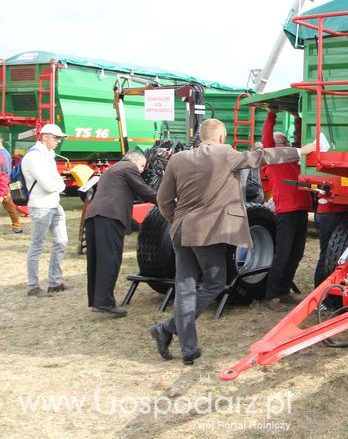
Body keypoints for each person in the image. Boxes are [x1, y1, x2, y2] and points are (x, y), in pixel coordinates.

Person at [149, 118, 316, 365]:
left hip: (181, 230)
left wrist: (177, 220)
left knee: (185, 287)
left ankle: (187, 347)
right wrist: (301, 151)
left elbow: (163, 200)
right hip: (207, 233)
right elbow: (263, 156)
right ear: (221, 137)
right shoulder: (226, 154)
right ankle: (167, 329)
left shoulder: (178, 159)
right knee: (214, 283)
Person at [84, 150, 157, 317]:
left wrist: (139, 226)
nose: (141, 170)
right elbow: (145, 191)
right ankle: (105, 303)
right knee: (110, 258)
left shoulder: (112, 170)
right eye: (141, 166)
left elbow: (116, 199)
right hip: (109, 217)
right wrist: (167, 201)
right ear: (133, 160)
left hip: (94, 215)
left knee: (96, 260)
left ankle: (97, 300)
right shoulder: (128, 167)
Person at [261, 106, 312, 311]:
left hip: (300, 210)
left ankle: (283, 291)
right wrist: (272, 114)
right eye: (285, 143)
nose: (289, 145)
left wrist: (297, 118)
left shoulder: (295, 158)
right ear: (276, 146)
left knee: (296, 254)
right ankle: (271, 295)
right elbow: (267, 139)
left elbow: (301, 142)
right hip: (287, 212)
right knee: (282, 255)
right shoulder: (272, 158)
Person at [21, 124, 69, 298]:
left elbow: (54, 181)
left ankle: (55, 282)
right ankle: (33, 286)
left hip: (53, 204)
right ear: (45, 137)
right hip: (41, 205)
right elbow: (49, 184)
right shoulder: (34, 156)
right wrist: (60, 184)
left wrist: (58, 184)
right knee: (37, 246)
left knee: (61, 242)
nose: (59, 141)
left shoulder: (47, 155)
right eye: (56, 137)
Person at [0, 133, 22, 234]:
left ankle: (17, 226)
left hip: (2, 186)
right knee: (10, 207)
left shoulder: (3, 154)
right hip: (4, 186)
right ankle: (17, 227)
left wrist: (2, 192)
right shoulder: (3, 153)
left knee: (10, 207)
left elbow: (4, 174)